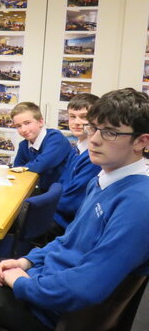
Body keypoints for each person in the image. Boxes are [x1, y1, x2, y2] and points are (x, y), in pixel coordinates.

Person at [0, 88, 149, 331]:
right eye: (93, 128)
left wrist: (23, 283)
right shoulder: (104, 180)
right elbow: (67, 240)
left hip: (50, 308)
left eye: (110, 133)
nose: (94, 139)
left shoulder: (138, 203)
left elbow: (87, 287)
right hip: (46, 276)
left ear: (141, 141)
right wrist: (26, 261)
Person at [50, 93, 101, 236]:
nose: (77, 122)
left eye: (84, 117)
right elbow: (62, 183)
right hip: (58, 213)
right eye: (72, 116)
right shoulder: (77, 149)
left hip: (66, 224)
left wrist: (44, 206)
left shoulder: (93, 157)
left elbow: (71, 203)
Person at [11, 102, 73, 192]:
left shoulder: (56, 138)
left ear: (40, 122)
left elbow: (40, 165)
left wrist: (21, 169)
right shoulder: (23, 145)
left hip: (62, 194)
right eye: (18, 126)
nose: (23, 130)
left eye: (27, 123)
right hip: (42, 190)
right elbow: (16, 171)